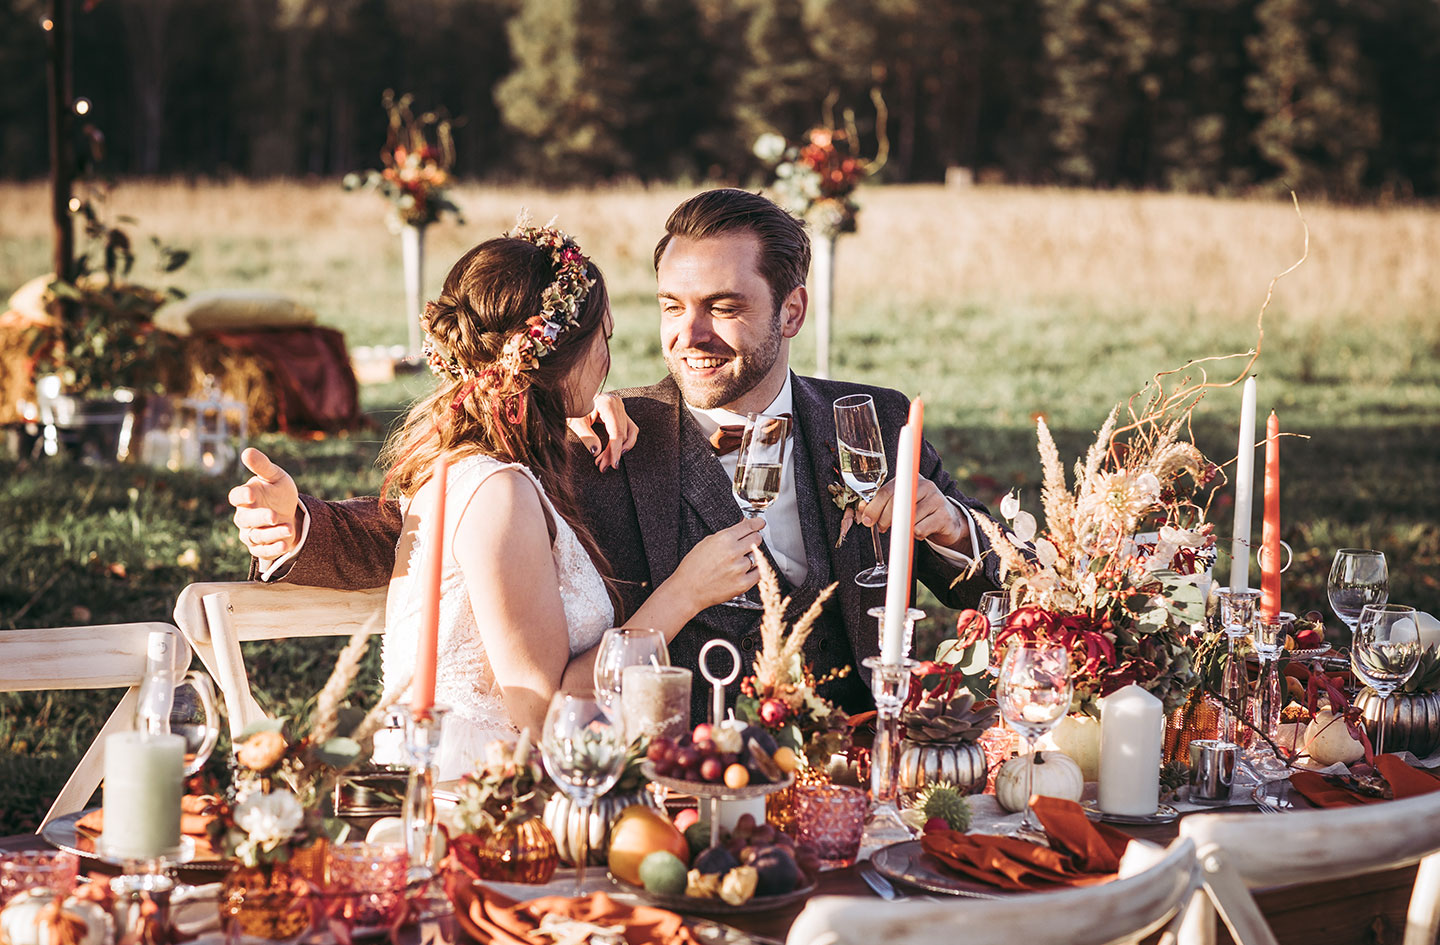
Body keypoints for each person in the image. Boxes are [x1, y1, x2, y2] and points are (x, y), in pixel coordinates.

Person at [231, 189, 1004, 723]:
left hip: (864, 760)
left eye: (724, 308)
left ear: (792, 309)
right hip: (680, 771)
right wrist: (301, 525)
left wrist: (953, 528)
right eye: (673, 306)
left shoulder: (873, 421)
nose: (688, 337)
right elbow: (443, 532)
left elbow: (1006, 588)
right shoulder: (604, 434)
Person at [283, 221, 765, 778]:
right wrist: (686, 593)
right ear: (563, 355)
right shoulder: (498, 492)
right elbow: (546, 713)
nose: (610, 361)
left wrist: (571, 420)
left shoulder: (481, 471)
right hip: (482, 800)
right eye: (602, 338)